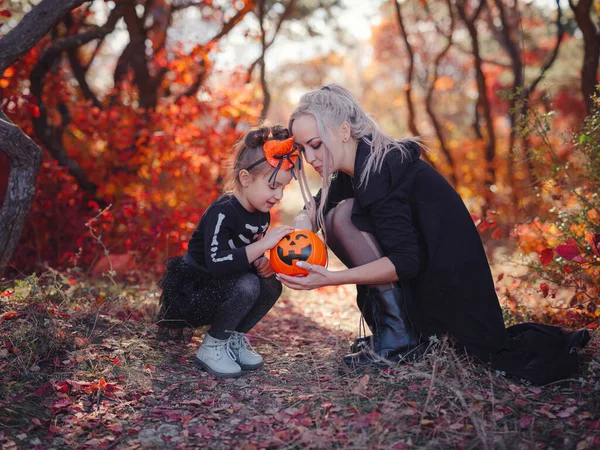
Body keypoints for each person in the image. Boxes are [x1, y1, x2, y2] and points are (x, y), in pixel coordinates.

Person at [277, 84, 590, 385]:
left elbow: (405, 262)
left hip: (449, 292)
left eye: (315, 145)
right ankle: (396, 331)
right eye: (303, 149)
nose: (309, 158)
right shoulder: (353, 167)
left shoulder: (383, 167)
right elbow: (315, 207)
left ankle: (401, 337)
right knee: (335, 214)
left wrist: (329, 278)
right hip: (426, 282)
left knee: (341, 217)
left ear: (344, 131)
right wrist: (303, 230)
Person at [157, 125, 298, 378]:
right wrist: (261, 247)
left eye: (283, 189)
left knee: (271, 284)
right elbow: (218, 262)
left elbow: (243, 253)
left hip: (226, 284)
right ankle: (212, 346)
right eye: (273, 186)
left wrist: (260, 262)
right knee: (247, 285)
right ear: (245, 179)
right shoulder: (223, 211)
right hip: (196, 290)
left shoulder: (262, 215)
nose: (278, 195)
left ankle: (233, 338)